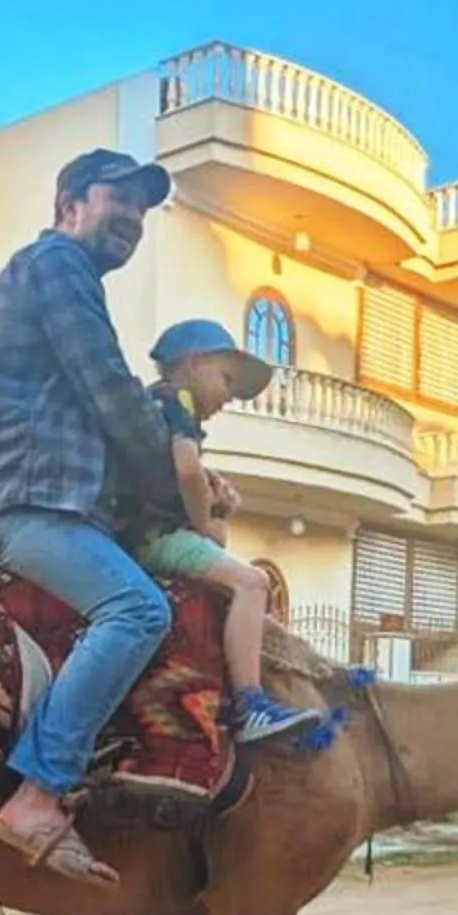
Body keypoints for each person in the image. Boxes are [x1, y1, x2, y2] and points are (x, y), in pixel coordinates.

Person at [0, 147, 182, 886]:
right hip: (6, 495)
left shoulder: (54, 276)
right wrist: (176, 486)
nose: (132, 215)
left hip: (17, 492)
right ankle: (38, 793)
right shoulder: (59, 266)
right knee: (137, 610)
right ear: (70, 202)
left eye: (142, 205)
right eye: (118, 198)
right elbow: (108, 389)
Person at [136, 319, 317, 747]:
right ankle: (250, 703)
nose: (229, 397)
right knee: (253, 583)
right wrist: (203, 526)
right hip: (150, 536)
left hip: (143, 530)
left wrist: (211, 494)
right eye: (227, 380)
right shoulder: (177, 401)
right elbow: (185, 468)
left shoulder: (154, 405)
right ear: (195, 364)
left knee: (223, 554)